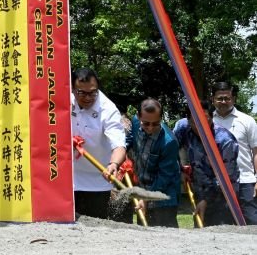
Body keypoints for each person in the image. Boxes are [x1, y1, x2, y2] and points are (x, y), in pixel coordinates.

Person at [71, 68, 127, 220]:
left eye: (93, 93)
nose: (88, 97)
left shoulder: (108, 109)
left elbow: (119, 144)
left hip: (98, 181)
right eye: (82, 93)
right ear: (73, 89)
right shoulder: (64, 103)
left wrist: (114, 164)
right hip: (67, 180)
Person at [173, 101, 240, 226]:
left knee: (220, 233)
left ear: (212, 117)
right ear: (188, 120)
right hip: (198, 191)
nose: (200, 126)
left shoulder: (225, 140)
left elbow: (226, 178)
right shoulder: (184, 129)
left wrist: (205, 199)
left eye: (205, 120)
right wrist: (180, 170)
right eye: (195, 122)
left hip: (223, 198)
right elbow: (171, 149)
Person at [125, 98, 181, 227]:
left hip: (164, 199)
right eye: (146, 123)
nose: (150, 128)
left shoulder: (169, 142)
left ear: (161, 118)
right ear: (138, 117)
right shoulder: (134, 123)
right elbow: (129, 140)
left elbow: (164, 177)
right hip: (143, 192)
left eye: (155, 124)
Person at [210, 81, 257, 224]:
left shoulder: (247, 121)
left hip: (245, 182)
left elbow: (255, 152)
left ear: (233, 99)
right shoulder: (207, 121)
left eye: (227, 98)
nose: (223, 102)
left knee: (252, 223)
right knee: (220, 226)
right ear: (213, 99)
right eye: (220, 98)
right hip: (216, 183)